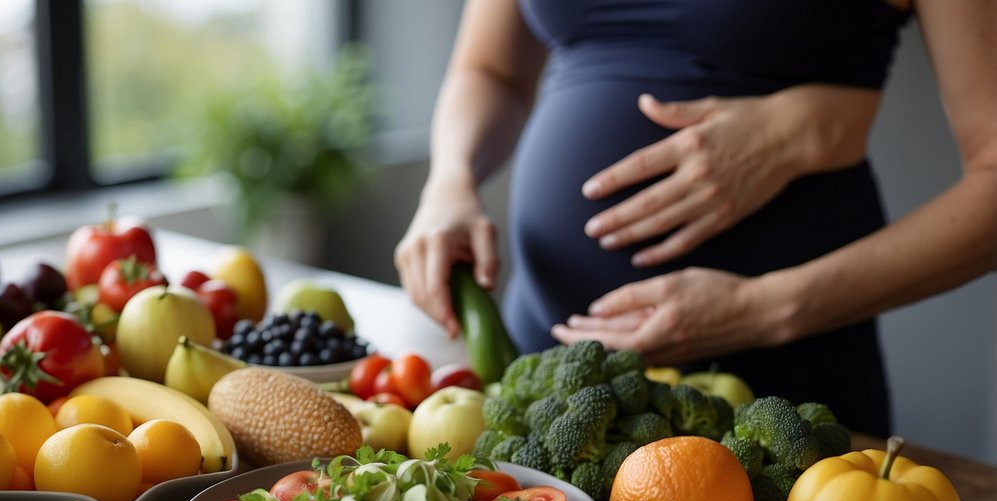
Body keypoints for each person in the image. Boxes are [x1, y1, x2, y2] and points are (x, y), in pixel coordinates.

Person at [394, 0, 997, 436]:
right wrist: (450, 179)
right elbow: (489, 71)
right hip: (544, 365)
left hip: (779, 396)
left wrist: (763, 308)